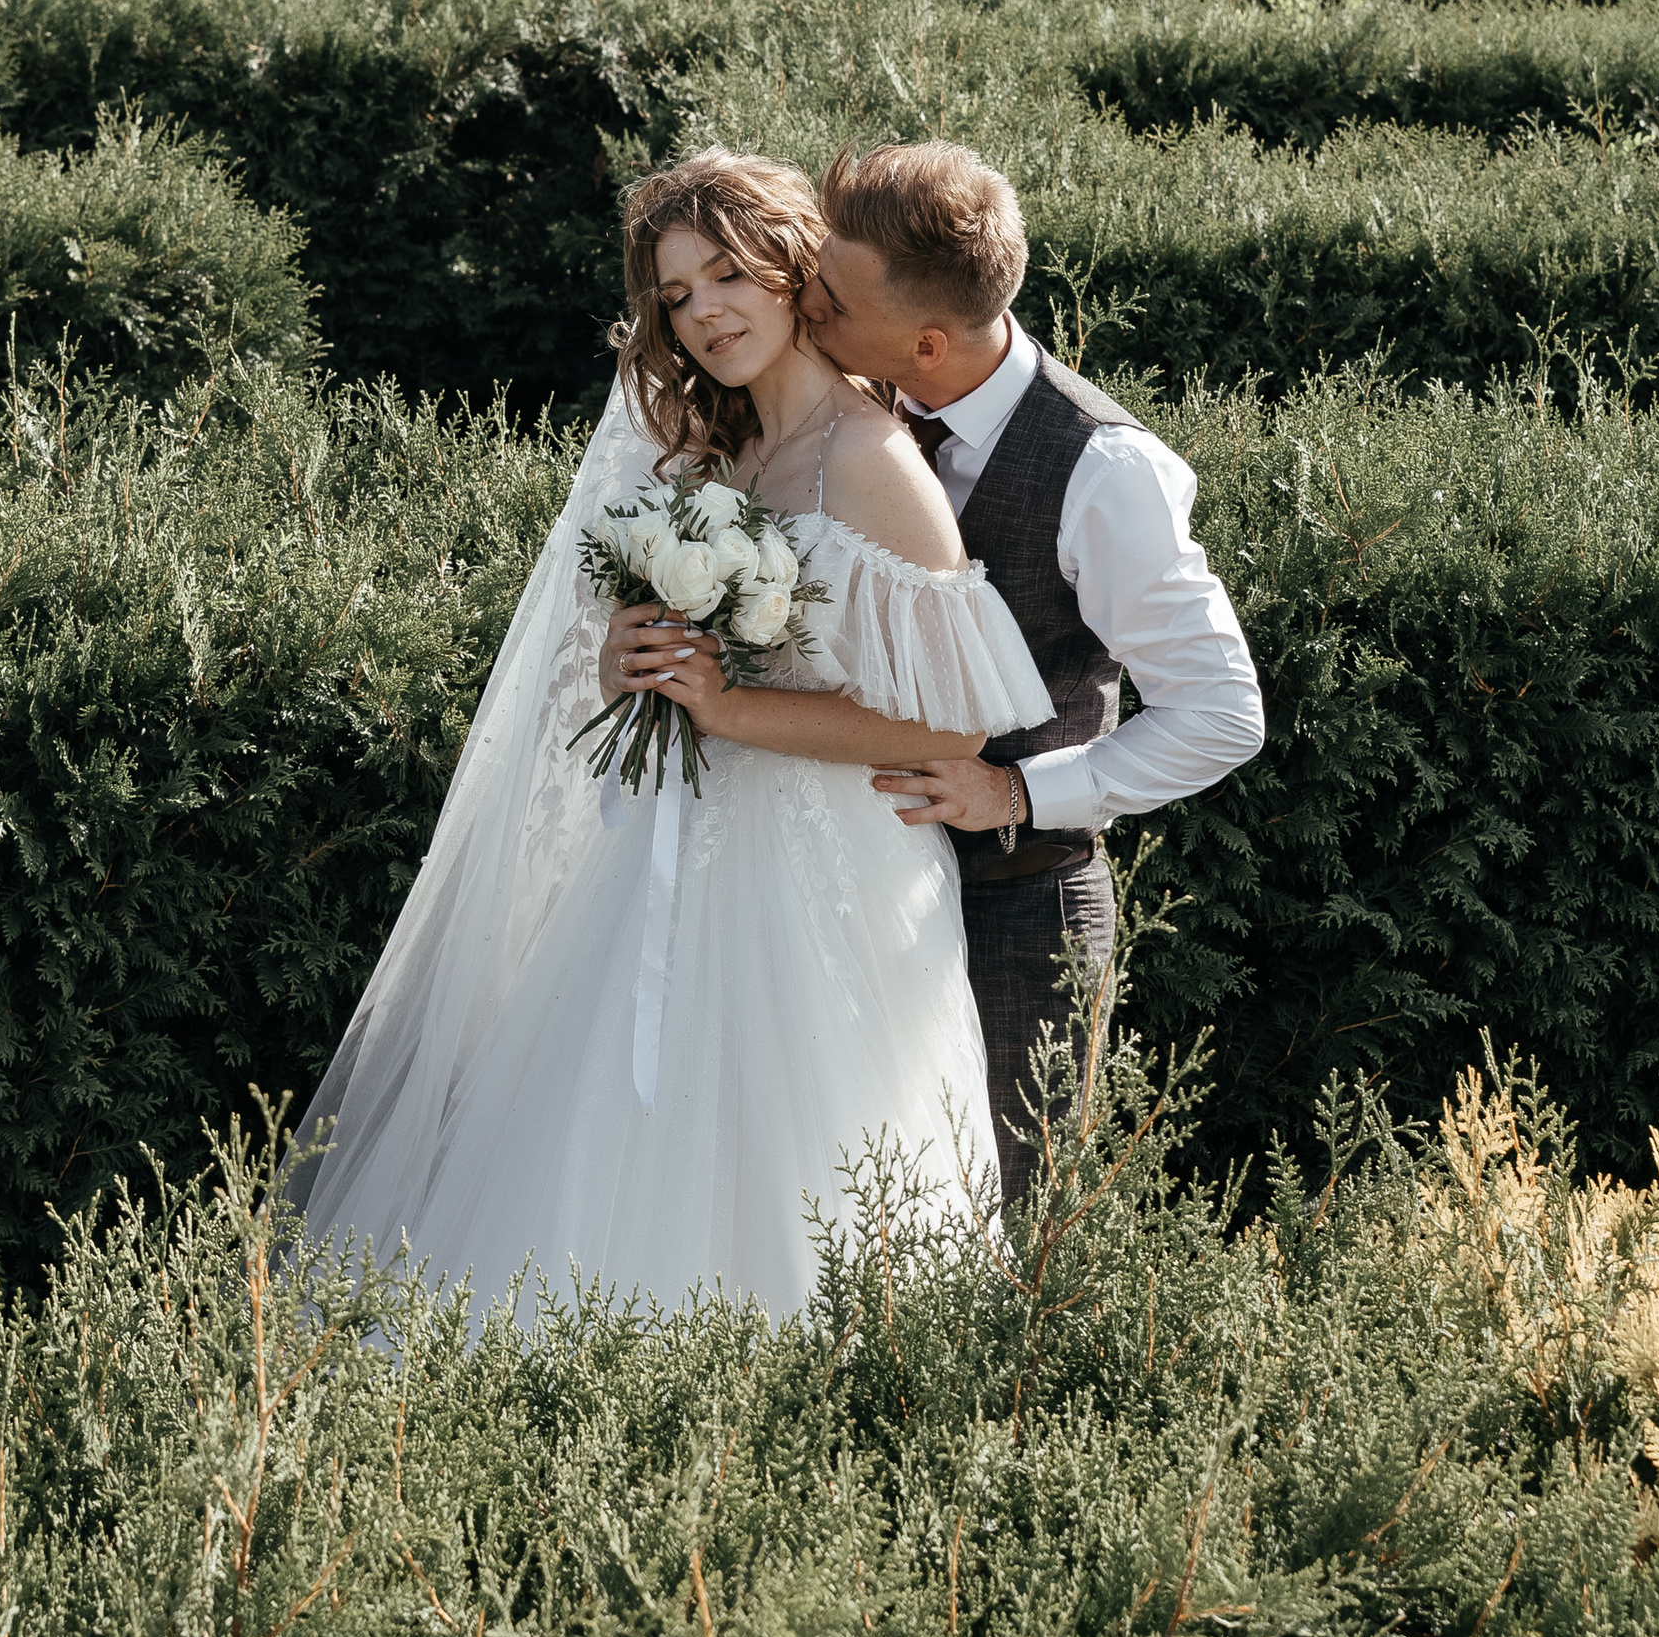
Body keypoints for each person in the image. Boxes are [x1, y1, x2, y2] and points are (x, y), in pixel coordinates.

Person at [278, 148, 1050, 1323]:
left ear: (796, 271)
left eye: (727, 277)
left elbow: (946, 721)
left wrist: (729, 707)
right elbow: (641, 640)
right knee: (607, 1145)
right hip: (669, 851)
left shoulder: (869, 458)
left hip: (826, 872)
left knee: (801, 1162)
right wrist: (627, 659)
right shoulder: (711, 453)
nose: (702, 316)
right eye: (677, 297)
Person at [802, 139, 1265, 1202]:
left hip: (1016, 921)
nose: (805, 305)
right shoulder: (852, 413)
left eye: (829, 296)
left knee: (1002, 1230)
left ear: (922, 340)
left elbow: (1221, 713)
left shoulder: (1104, 470)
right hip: (844, 904)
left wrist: (1016, 790)